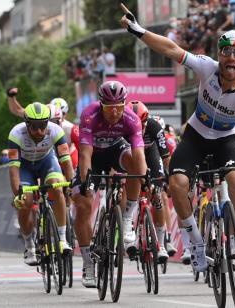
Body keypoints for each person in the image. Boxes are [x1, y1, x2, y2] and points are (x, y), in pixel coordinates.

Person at [121, 5, 235, 273]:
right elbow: (171, 49)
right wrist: (138, 31)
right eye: (226, 52)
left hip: (225, 140)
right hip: (195, 136)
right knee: (177, 184)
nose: (230, 58)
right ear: (219, 55)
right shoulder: (206, 68)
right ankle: (195, 243)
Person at [71, 80, 146, 287]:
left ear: (124, 103)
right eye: (109, 107)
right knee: (83, 204)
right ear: (101, 104)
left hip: (115, 150)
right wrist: (86, 182)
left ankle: (127, 217)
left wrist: (144, 176)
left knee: (134, 166)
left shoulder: (131, 119)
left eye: (119, 107)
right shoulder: (89, 114)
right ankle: (87, 263)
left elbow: (139, 153)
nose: (114, 112)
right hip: (94, 155)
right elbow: (85, 154)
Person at [9, 103, 74, 266]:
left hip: (47, 161)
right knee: (26, 202)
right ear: (27, 124)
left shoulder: (56, 131)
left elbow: (66, 162)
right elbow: (14, 170)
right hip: (25, 167)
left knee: (57, 187)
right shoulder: (16, 134)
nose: (39, 131)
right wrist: (18, 195)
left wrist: (71, 185)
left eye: (42, 126)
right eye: (35, 127)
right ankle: (29, 245)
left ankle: (62, 239)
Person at [130, 101, 171, 263]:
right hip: (132, 155)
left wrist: (171, 176)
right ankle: (132, 235)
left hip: (151, 154)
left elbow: (166, 156)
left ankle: (160, 244)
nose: (140, 129)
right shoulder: (124, 126)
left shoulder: (154, 127)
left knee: (157, 197)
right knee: (127, 191)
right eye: (136, 125)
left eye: (143, 125)